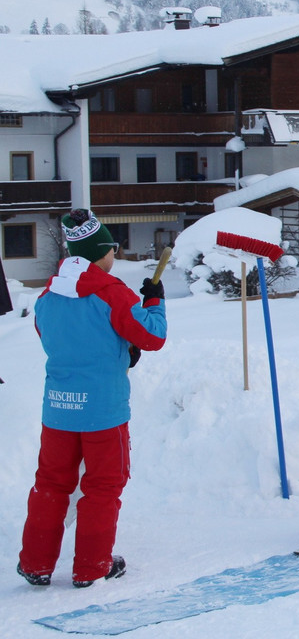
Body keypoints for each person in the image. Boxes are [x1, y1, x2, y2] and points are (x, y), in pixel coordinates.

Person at [18, 209, 167, 588]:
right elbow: (152, 337)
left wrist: (118, 350)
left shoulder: (48, 295)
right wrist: (154, 302)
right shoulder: (111, 292)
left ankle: (35, 564)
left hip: (58, 411)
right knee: (102, 487)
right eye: (111, 250)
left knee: (51, 484)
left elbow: (58, 340)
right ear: (100, 253)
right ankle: (92, 566)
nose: (114, 256)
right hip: (103, 411)